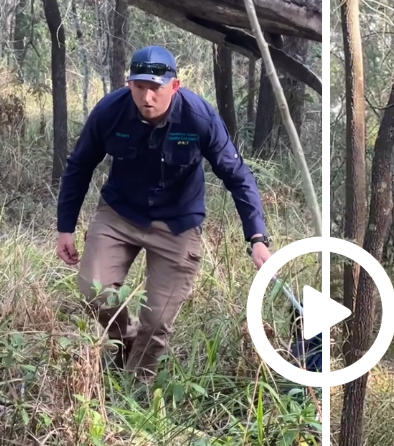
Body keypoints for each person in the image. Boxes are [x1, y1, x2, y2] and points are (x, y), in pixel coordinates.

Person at [56, 45, 273, 380]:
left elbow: (237, 175)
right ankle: (125, 338)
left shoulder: (199, 118)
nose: (147, 97)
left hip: (178, 223)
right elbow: (79, 166)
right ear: (128, 84)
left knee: (157, 321)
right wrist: (65, 228)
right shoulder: (110, 111)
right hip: (119, 214)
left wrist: (257, 237)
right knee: (94, 291)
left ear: (175, 85)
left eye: (156, 88)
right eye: (139, 86)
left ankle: (134, 388)